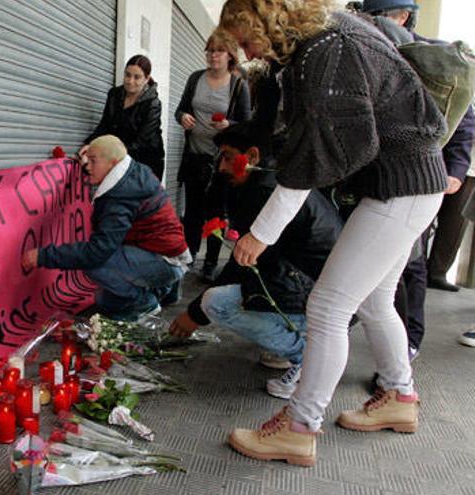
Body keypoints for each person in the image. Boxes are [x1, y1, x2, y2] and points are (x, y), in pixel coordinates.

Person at [221, 0, 447, 467]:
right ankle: (400, 397)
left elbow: (311, 161)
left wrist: (259, 234)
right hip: (412, 183)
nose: (245, 54)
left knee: (327, 306)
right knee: (374, 300)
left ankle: (300, 428)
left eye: (245, 39)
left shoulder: (325, 50)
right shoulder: (334, 30)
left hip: (399, 189)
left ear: (266, 20)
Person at [169, 123, 341, 400]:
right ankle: (299, 338)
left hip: (317, 292)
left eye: (226, 157)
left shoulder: (266, 193)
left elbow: (245, 264)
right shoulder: (269, 181)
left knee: (215, 301)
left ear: (252, 156)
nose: (222, 167)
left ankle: (309, 357)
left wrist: (196, 314)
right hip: (314, 284)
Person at [361, 0, 475, 360]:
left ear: (402, 17)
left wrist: (455, 171)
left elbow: (464, 120)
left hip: (419, 180)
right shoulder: (371, 53)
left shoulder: (434, 59)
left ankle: (409, 342)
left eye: (377, 17)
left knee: (410, 264)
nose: (372, 25)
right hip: (375, 176)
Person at [24, 135, 189, 321]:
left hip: (164, 260)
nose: (87, 166)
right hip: (170, 253)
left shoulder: (120, 195)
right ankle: (163, 288)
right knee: (104, 301)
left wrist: (43, 256)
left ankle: (145, 302)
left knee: (93, 264)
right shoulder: (134, 172)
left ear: (113, 163)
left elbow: (97, 252)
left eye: (93, 161)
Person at [174, 29, 251, 281]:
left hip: (220, 161)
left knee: (215, 213)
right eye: (210, 50)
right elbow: (181, 109)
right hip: (194, 155)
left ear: (230, 56)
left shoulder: (238, 85)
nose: (213, 55)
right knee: (193, 212)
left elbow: (246, 124)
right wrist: (182, 117)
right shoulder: (195, 78)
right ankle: (189, 257)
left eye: (218, 51)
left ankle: (209, 264)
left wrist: (230, 125)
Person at [79, 55, 166, 180]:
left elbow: (141, 142)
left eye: (137, 77)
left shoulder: (153, 104)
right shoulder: (114, 94)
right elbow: (105, 125)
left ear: (146, 79)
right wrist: (89, 145)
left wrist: (109, 152)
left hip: (147, 162)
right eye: (127, 75)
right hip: (120, 159)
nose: (130, 81)